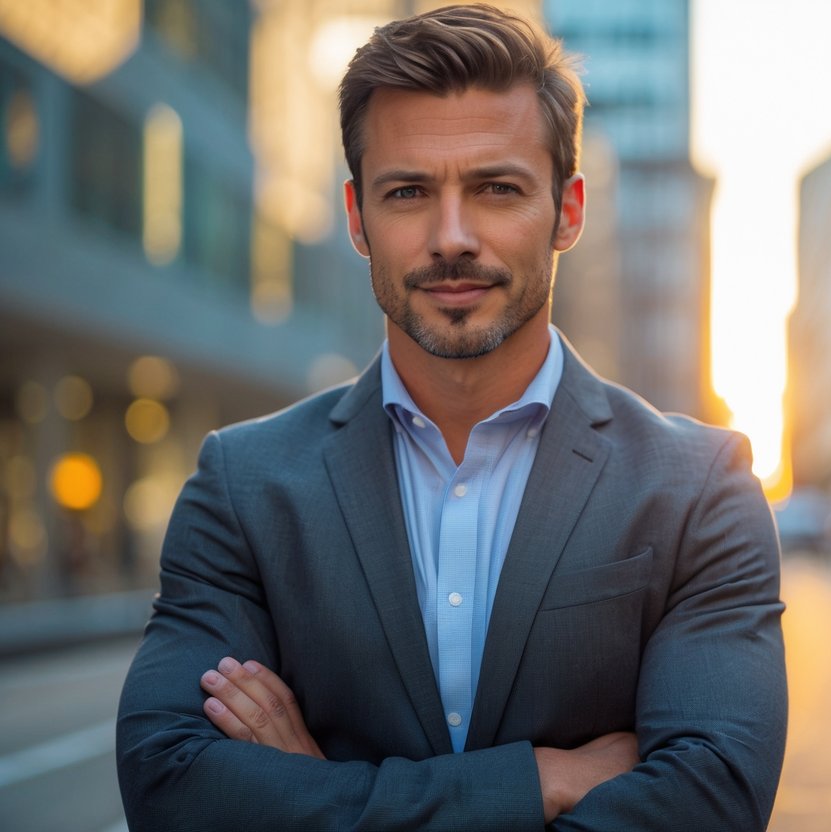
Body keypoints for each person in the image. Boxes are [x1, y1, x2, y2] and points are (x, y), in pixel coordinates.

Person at [116, 5, 787, 830]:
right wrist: (534, 783)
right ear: (358, 218)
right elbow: (170, 783)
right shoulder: (242, 488)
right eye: (408, 193)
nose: (452, 237)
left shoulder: (699, 490)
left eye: (496, 189)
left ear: (567, 211)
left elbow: (709, 803)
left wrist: (316, 789)